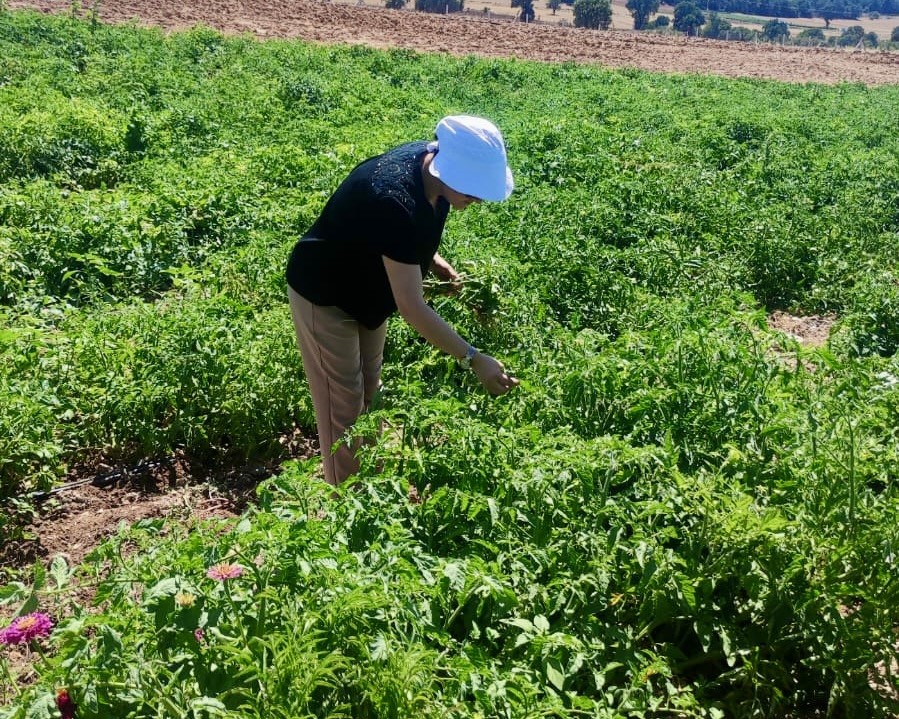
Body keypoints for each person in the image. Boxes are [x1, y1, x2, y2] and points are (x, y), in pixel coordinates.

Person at [285, 115, 520, 486]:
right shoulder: (394, 199)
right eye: (472, 192)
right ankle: (348, 505)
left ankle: (372, 480)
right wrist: (474, 359)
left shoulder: (433, 175)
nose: (474, 201)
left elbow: (404, 239)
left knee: (368, 390)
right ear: (450, 172)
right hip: (325, 294)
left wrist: (435, 263)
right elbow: (412, 307)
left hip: (370, 290)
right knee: (342, 404)